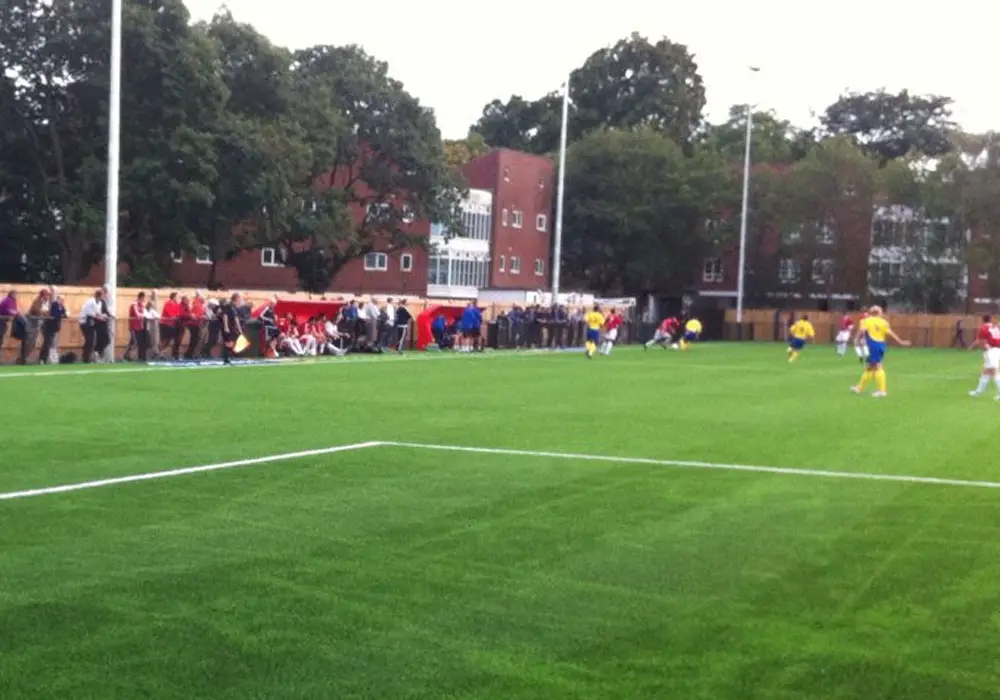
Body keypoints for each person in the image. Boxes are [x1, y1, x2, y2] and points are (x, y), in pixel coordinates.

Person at [851, 305, 910, 397]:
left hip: (872, 345)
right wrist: (901, 341)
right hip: (881, 345)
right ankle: (859, 388)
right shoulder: (884, 322)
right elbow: (891, 333)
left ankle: (882, 391)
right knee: (870, 367)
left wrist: (856, 340)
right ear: (879, 313)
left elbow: (862, 331)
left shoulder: (866, 321)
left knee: (877, 366)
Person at [968, 315, 1000, 399]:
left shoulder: (984, 328)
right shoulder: (996, 326)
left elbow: (979, 340)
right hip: (995, 350)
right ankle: (978, 392)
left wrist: (971, 347)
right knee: (986, 372)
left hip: (991, 351)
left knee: (994, 372)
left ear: (983, 320)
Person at [219, 293, 243, 365]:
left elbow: (236, 319)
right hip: (228, 327)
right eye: (239, 299)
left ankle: (227, 358)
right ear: (236, 298)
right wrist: (226, 326)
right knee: (229, 343)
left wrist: (240, 329)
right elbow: (225, 315)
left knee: (231, 343)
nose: (240, 300)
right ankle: (226, 359)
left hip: (232, 327)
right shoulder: (228, 306)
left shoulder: (235, 308)